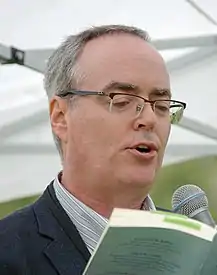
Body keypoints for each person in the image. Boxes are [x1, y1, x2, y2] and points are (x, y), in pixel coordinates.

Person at [0, 24, 186, 275]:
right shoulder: (8, 254)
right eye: (121, 100)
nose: (150, 118)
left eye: (162, 105)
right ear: (61, 117)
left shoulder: (195, 248)